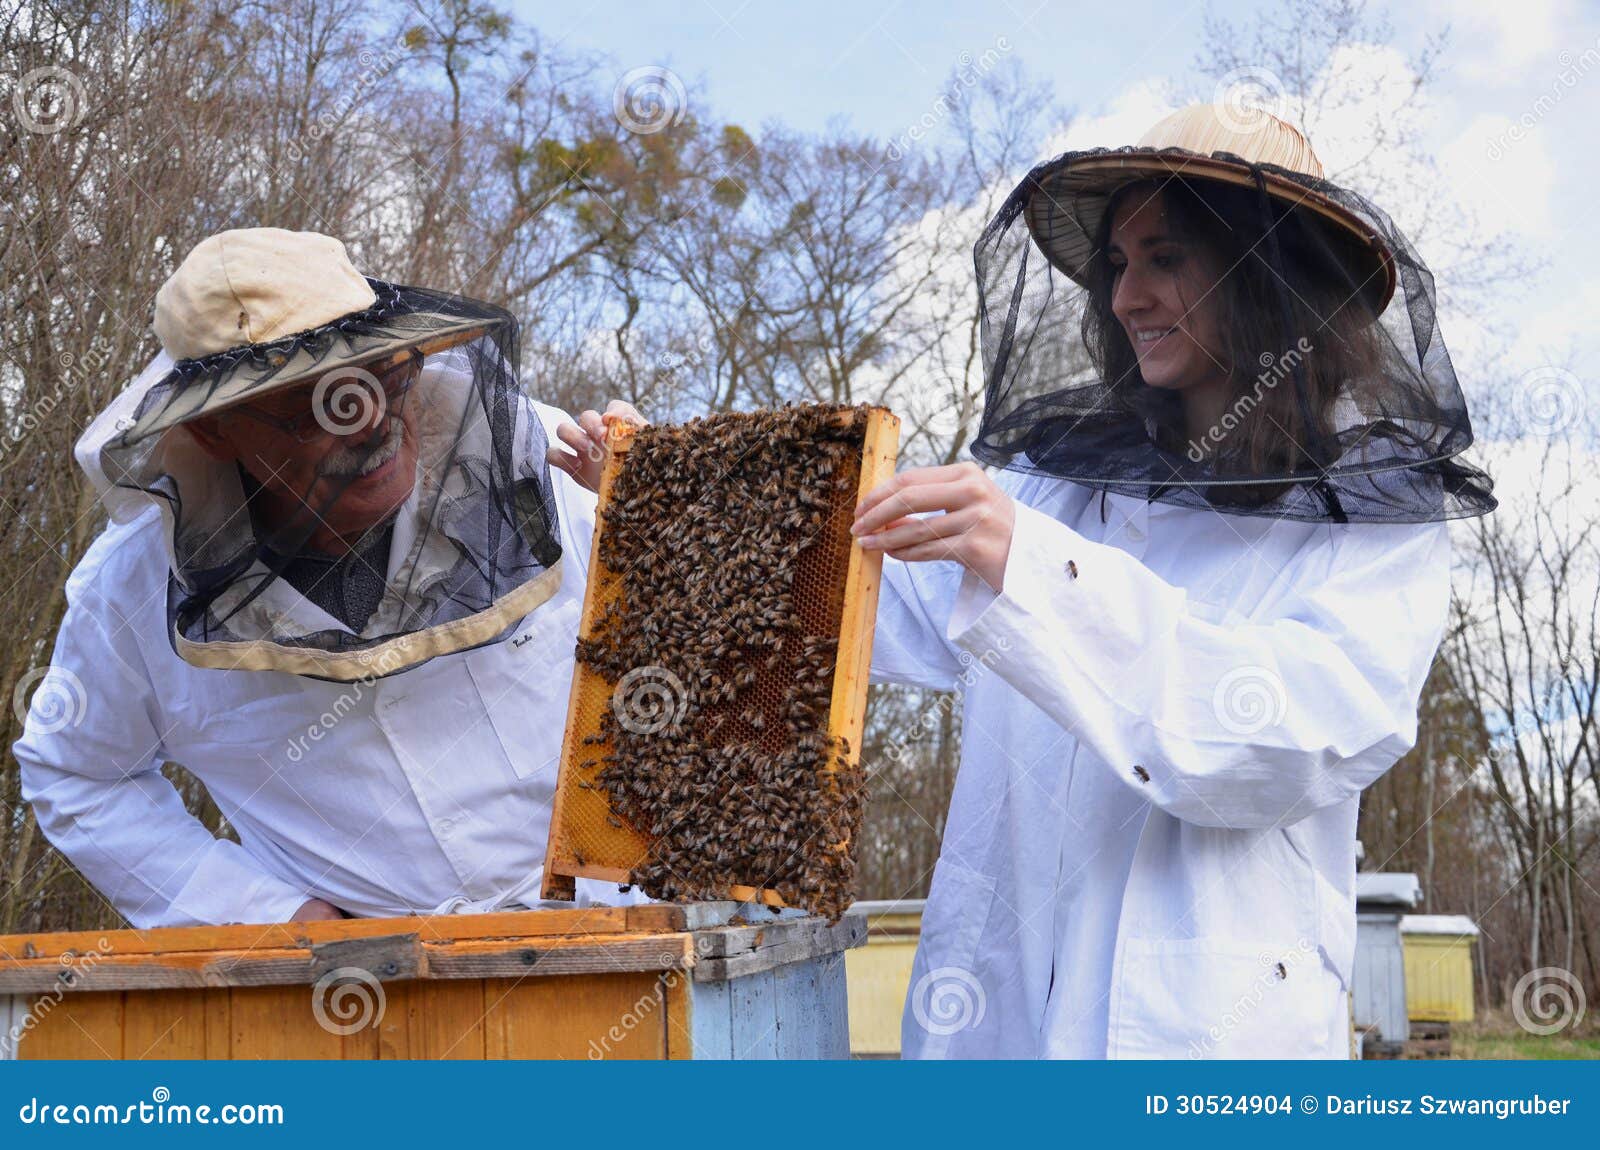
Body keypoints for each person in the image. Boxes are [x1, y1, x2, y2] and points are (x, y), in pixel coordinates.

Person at [854, 104, 1495, 1058]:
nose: (1125, 298)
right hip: (987, 1034)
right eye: (1118, 264)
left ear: (1269, 274)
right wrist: (630, 491)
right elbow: (854, 595)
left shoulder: (1372, 525)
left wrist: (1032, 568)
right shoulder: (1053, 488)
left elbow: (1272, 737)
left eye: (1166, 258)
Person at [14, 227, 640, 926]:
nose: (373, 423)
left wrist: (672, 522)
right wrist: (267, 914)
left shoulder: (538, 463)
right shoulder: (131, 593)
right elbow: (76, 772)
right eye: (316, 406)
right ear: (215, 431)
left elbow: (720, 660)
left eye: (384, 373)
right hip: (375, 1004)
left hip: (643, 942)